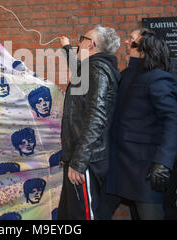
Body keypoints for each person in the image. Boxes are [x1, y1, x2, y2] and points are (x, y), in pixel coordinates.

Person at [106, 30, 177, 220]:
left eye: (131, 41)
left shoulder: (157, 77)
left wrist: (163, 163)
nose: (126, 42)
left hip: (144, 167)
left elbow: (173, 121)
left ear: (143, 50)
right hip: (118, 164)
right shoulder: (125, 76)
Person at [57, 25, 121, 220]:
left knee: (83, 215)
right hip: (81, 158)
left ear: (90, 44)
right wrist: (67, 48)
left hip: (86, 161)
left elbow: (97, 116)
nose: (79, 43)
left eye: (81, 39)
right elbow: (78, 71)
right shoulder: (91, 68)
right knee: (70, 215)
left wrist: (79, 161)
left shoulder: (96, 70)